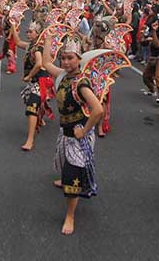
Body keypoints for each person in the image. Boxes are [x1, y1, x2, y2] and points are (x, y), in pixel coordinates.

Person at [41, 36, 107, 235]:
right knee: (62, 165)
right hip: (66, 132)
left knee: (72, 176)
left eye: (70, 58)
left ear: (79, 58)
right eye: (63, 58)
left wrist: (84, 131)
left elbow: (98, 110)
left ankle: (70, 216)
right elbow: (45, 63)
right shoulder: (63, 76)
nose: (66, 62)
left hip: (79, 137)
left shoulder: (81, 84)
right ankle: (65, 179)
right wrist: (47, 39)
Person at [10, 21, 53, 151]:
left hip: (40, 80)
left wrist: (28, 76)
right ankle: (40, 114)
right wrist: (12, 27)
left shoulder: (38, 47)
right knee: (31, 101)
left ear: (38, 33)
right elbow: (17, 42)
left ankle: (30, 139)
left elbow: (39, 63)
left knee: (31, 107)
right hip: (34, 80)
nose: (28, 33)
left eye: (31, 31)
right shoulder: (30, 45)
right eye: (27, 31)